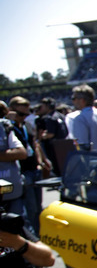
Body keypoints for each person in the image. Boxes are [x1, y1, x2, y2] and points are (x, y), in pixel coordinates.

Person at [7, 96, 49, 234]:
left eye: (27, 114)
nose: (23, 117)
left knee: (38, 206)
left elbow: (35, 143)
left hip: (34, 168)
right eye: (20, 114)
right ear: (11, 111)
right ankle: (35, 236)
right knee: (30, 208)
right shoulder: (7, 128)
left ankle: (41, 232)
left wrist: (41, 160)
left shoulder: (27, 125)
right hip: (22, 171)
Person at [67, 84, 97, 154]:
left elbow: (82, 146)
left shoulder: (79, 118)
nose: (73, 101)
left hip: (94, 160)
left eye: (74, 98)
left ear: (82, 100)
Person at [34, 97, 69, 177]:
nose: (41, 108)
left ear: (47, 106)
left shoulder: (49, 118)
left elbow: (50, 134)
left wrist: (43, 136)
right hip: (64, 144)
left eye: (42, 106)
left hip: (54, 147)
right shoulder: (60, 115)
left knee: (58, 169)